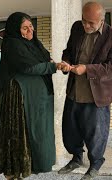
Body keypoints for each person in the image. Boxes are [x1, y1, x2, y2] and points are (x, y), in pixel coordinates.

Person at [0, 12, 67, 179]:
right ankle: (12, 173)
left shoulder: (34, 44)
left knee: (35, 134)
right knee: (18, 134)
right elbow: (28, 68)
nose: (30, 30)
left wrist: (59, 65)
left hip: (36, 98)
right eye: (25, 27)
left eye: (31, 26)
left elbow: (45, 61)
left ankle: (22, 172)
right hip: (19, 98)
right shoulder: (12, 43)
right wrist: (54, 67)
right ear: (16, 29)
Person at [58, 2, 112, 180]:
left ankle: (95, 164)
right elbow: (68, 51)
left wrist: (87, 69)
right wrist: (66, 63)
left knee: (96, 134)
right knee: (70, 130)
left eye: (91, 23)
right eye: (84, 20)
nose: (86, 25)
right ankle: (76, 159)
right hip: (74, 91)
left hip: (96, 96)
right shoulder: (77, 28)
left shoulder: (111, 35)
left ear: (102, 20)